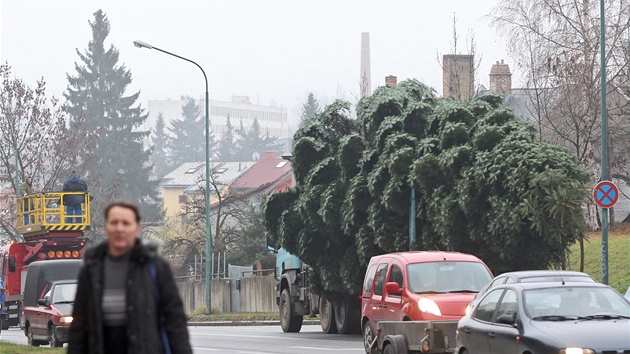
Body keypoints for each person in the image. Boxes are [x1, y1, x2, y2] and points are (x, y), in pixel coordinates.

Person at [67, 201, 192, 354]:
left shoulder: (155, 267)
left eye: (126, 223)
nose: (120, 229)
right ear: (106, 227)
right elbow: (79, 325)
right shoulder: (92, 268)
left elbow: (175, 320)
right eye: (114, 222)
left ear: (137, 228)